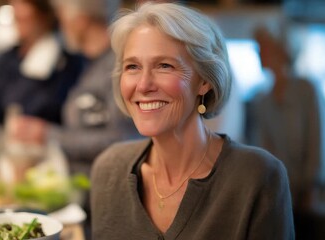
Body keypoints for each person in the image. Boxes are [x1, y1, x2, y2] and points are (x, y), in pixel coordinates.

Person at [91, 3, 294, 239]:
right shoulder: (108, 169)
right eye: (133, 66)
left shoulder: (258, 176)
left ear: (204, 81)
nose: (143, 85)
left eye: (164, 66)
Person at [9, 0, 140, 175]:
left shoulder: (118, 66)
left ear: (80, 20)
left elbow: (124, 140)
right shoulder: (85, 64)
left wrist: (48, 135)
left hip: (106, 188)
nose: (60, 25)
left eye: (62, 17)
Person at [0, 0, 84, 145]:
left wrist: (43, 131)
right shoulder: (2, 61)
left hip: (47, 152)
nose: (18, 12)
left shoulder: (67, 65)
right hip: (3, 149)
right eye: (15, 7)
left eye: (25, 8)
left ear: (45, 15)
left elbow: (67, 118)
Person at [248, 26, 325, 239]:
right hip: (281, 195)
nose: (258, 53)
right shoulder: (262, 99)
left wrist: (312, 187)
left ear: (280, 49)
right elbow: (263, 149)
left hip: (313, 196)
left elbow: (319, 141)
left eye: (263, 47)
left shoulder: (307, 89)